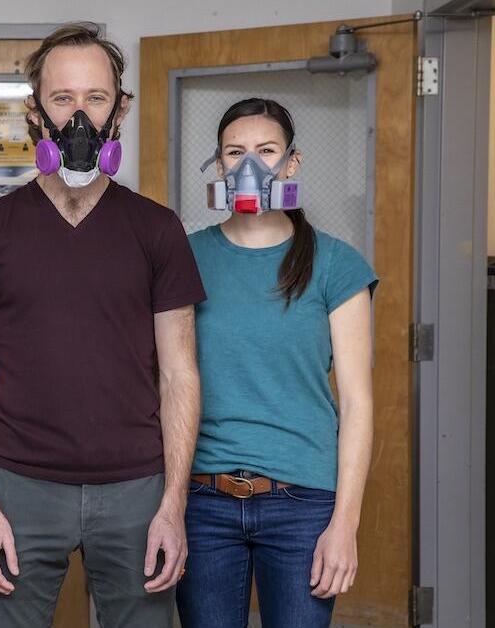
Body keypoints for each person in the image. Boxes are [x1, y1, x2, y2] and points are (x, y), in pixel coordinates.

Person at [0, 23, 206, 628]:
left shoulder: (157, 229)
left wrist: (173, 503)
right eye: (63, 99)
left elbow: (180, 373)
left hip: (137, 488)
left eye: (96, 98)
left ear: (120, 108)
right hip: (18, 486)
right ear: (36, 113)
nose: (79, 116)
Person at [175, 97, 377, 628]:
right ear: (218, 166)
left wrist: (345, 525)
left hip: (303, 505)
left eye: (266, 151)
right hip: (203, 501)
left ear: (292, 163)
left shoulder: (336, 264)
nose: (249, 167)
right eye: (234, 152)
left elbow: (357, 402)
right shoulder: (184, 258)